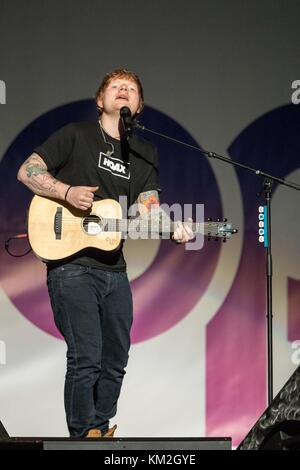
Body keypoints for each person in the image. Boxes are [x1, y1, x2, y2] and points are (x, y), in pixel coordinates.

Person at [17, 69, 193, 438]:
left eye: (131, 88)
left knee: (115, 358)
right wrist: (65, 193)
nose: (124, 90)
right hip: (71, 266)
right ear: (101, 101)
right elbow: (27, 170)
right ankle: (83, 437)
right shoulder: (76, 135)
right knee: (86, 358)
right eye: (116, 86)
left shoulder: (145, 153)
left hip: (115, 269)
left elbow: (148, 207)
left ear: (139, 106)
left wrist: (173, 225)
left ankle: (100, 427)